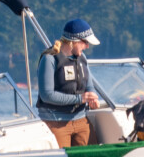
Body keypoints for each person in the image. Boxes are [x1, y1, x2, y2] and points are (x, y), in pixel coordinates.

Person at [36, 18, 101, 148]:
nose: (87, 46)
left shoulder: (82, 58)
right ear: (73, 42)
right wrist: (80, 98)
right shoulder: (49, 59)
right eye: (85, 42)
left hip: (81, 120)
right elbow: (47, 95)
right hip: (55, 122)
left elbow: (89, 86)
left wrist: (92, 97)